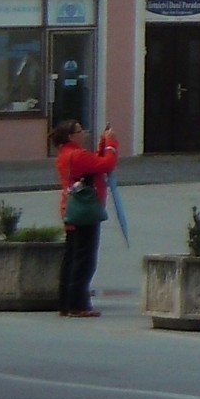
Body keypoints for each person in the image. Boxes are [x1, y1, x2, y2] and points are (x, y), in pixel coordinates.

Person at [52, 120, 117, 317]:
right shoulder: (77, 155)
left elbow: (93, 163)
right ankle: (78, 304)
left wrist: (101, 145)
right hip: (84, 212)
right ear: (71, 136)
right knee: (84, 259)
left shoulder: (66, 154)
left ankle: (66, 302)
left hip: (72, 210)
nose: (83, 134)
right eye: (80, 131)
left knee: (71, 256)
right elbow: (106, 164)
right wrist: (111, 144)